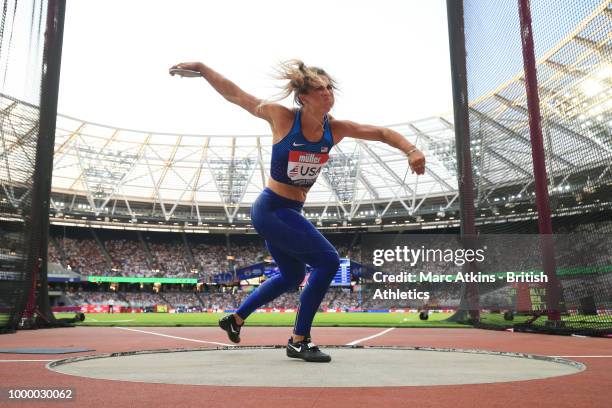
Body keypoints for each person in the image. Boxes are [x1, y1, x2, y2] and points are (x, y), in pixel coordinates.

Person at [169, 60, 426, 362]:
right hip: (271, 209)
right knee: (328, 262)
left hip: (290, 212)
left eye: (329, 88)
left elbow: (381, 132)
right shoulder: (281, 118)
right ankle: (299, 340)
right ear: (303, 96)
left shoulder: (336, 129)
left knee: (292, 275)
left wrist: (411, 150)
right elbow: (236, 95)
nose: (327, 94)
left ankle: (235, 319)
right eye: (319, 89)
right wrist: (202, 67)